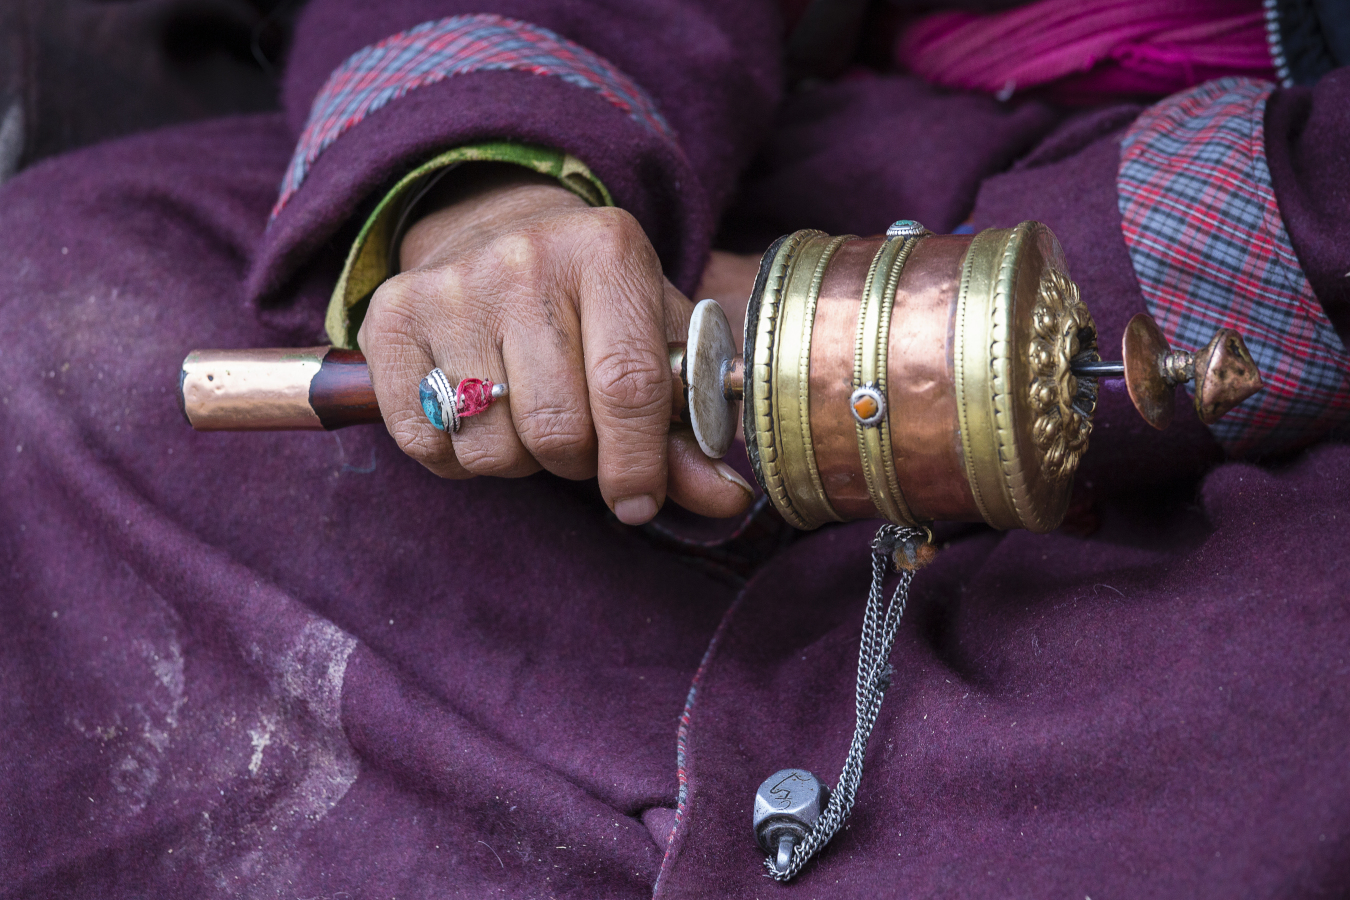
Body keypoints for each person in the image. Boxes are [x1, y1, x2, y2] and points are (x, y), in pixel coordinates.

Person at [1, 0, 1347, 897]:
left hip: (1272, 323)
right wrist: (494, 194)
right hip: (766, 186)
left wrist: (937, 314)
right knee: (65, 334)